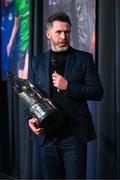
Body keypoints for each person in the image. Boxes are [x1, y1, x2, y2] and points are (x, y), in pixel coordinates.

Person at [28, 12, 104, 179]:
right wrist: (32, 119)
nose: (64, 36)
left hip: (74, 137)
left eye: (67, 32)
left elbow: (97, 92)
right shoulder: (36, 62)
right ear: (48, 34)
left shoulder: (84, 59)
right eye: (59, 32)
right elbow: (32, 97)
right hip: (48, 137)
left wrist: (68, 86)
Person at [7, 0, 30, 79]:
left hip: (30, 40)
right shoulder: (17, 3)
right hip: (22, 42)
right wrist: (10, 43)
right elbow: (16, 25)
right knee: (21, 77)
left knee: (26, 74)